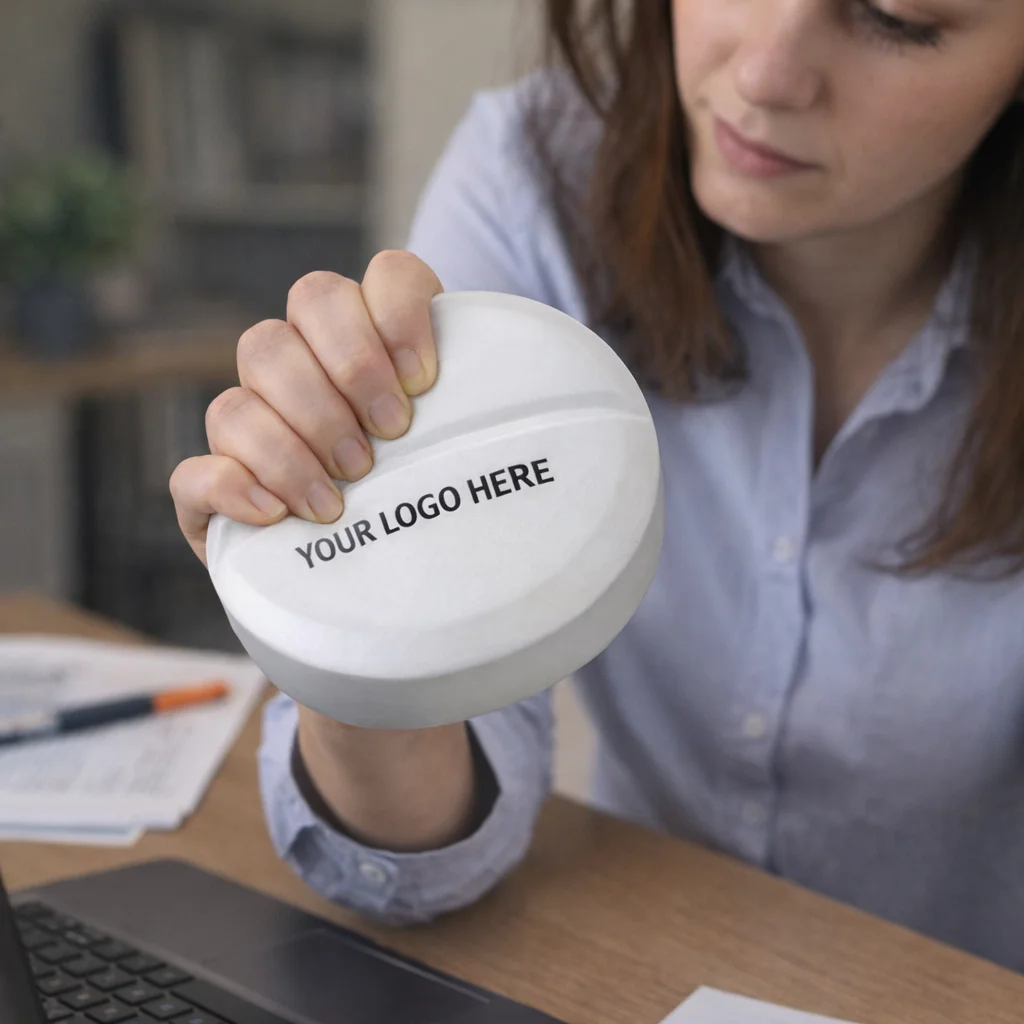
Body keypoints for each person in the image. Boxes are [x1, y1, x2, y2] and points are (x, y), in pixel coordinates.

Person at [170, 0, 1024, 972]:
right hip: (626, 969)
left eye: (895, 19)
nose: (765, 76)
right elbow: (416, 866)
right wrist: (341, 599)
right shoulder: (538, 182)